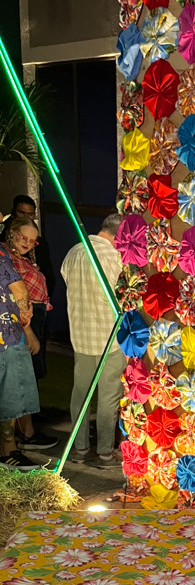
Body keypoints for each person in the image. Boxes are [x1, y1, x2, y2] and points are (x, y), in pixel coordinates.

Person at [60, 213, 126, 468]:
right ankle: (105, 453)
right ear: (119, 235)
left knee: (81, 395)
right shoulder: (115, 256)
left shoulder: (74, 251)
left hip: (80, 336)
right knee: (108, 398)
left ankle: (80, 448)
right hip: (110, 338)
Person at [2, 216, 57, 450]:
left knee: (27, 377)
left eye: (32, 241)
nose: (27, 243)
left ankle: (24, 434)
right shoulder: (6, 257)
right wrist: (28, 330)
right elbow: (17, 294)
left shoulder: (21, 258)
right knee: (19, 381)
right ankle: (20, 438)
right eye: (23, 237)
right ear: (12, 232)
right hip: (21, 322)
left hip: (32, 318)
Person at [0, 243, 40, 469]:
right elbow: (20, 290)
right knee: (11, 395)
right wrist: (25, 318)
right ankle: (8, 451)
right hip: (7, 336)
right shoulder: (0, 253)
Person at [2, 195, 56, 298]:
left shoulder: (40, 245)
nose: (26, 217)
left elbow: (48, 277)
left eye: (30, 214)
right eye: (21, 212)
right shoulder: (3, 248)